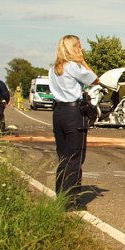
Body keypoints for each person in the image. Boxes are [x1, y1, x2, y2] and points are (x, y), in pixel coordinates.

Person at [49, 35, 99, 209]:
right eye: (79, 46)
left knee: (63, 156)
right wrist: (83, 61)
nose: (81, 49)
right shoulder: (73, 67)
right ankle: (70, 202)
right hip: (73, 112)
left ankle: (61, 196)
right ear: (73, 48)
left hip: (59, 112)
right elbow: (94, 79)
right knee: (75, 158)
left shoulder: (54, 68)